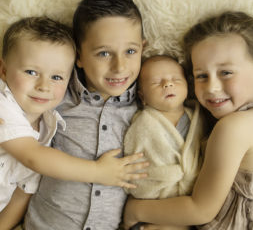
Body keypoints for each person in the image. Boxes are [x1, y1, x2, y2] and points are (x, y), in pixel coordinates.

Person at [0, 16, 146, 229]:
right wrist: (98, 172)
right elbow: (33, 157)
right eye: (31, 72)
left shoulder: (49, 127)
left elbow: (23, 194)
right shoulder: (4, 105)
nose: (44, 86)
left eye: (57, 77)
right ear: (3, 71)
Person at [123, 11, 253, 230]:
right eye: (201, 76)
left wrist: (133, 210)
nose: (212, 87)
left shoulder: (234, 127)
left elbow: (200, 210)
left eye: (226, 72)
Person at [123, 55, 206, 230]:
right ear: (142, 96)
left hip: (190, 203)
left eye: (175, 79)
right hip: (154, 202)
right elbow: (133, 164)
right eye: (156, 82)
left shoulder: (200, 119)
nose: (167, 84)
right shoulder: (143, 124)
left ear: (187, 85)